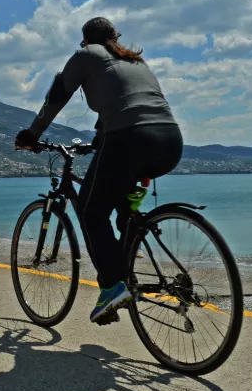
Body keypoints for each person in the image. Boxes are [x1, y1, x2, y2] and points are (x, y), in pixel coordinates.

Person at [15, 17, 183, 325]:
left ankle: (113, 286)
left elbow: (57, 95)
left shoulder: (87, 55)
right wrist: (98, 142)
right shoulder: (135, 61)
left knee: (92, 212)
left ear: (85, 41)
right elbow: (126, 105)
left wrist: (32, 134)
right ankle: (130, 233)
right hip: (170, 142)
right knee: (118, 200)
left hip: (129, 140)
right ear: (116, 38)